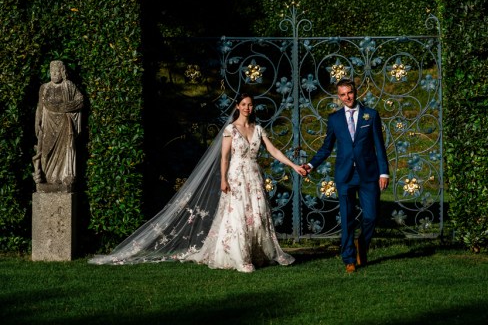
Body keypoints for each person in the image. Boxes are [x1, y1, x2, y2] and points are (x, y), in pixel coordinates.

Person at [90, 93, 306, 273]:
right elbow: (224, 158)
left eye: (250, 105)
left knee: (257, 217)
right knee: (238, 217)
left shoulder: (258, 129)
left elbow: (273, 150)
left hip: (254, 177)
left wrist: (294, 166)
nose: (247, 107)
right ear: (237, 107)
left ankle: (257, 254)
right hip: (236, 178)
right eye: (243, 104)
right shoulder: (231, 130)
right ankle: (241, 259)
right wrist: (223, 179)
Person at [302, 78, 389, 273]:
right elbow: (327, 147)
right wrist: (310, 164)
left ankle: (361, 244)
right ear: (338, 96)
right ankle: (349, 257)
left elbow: (379, 146)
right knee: (347, 217)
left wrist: (384, 172)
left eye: (349, 92)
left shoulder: (371, 115)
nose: (347, 97)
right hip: (345, 175)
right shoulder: (334, 119)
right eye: (342, 94)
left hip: (369, 174)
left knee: (371, 216)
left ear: (355, 92)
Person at [33, 60, 84, 189]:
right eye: (52, 72)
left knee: (65, 151)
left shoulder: (69, 86)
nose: (54, 74)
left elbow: (80, 101)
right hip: (48, 125)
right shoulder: (44, 88)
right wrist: (37, 122)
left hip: (64, 125)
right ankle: (46, 178)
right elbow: (40, 106)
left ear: (62, 73)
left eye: (57, 72)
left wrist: (63, 107)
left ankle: (63, 179)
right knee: (45, 152)